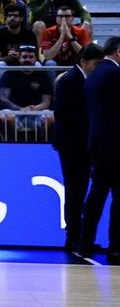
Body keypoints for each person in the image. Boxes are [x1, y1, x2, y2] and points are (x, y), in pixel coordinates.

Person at [52, 44, 101, 253]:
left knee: (80, 191)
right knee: (74, 191)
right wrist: (92, 121)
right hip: (71, 145)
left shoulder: (89, 80)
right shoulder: (69, 80)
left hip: (85, 144)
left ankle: (81, 237)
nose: (97, 68)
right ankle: (72, 238)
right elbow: (61, 114)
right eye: (95, 64)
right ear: (83, 61)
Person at [81, 36, 120, 260]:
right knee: (118, 196)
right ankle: (116, 246)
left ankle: (85, 242)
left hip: (97, 142)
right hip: (115, 144)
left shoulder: (93, 75)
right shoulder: (114, 74)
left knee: (97, 194)